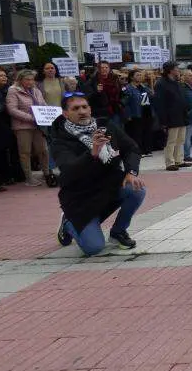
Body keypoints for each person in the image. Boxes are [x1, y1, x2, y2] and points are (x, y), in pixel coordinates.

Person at [50, 91, 146, 255]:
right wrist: (92, 152)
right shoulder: (60, 140)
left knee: (136, 189)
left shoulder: (106, 126)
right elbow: (70, 170)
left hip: (108, 185)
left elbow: (131, 148)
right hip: (80, 198)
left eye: (84, 107)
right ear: (66, 114)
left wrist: (131, 171)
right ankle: (68, 222)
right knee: (94, 248)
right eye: (75, 108)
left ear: (90, 109)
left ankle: (118, 232)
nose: (81, 111)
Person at [5, 69, 51, 187]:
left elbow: (43, 104)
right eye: (27, 79)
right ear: (20, 80)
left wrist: (48, 113)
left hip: (39, 125)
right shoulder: (13, 90)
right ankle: (29, 178)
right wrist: (31, 117)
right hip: (22, 127)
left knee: (43, 150)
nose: (30, 82)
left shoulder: (36, 90)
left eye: (32, 79)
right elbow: (12, 110)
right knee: (25, 152)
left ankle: (46, 174)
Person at [155, 62, 190, 172]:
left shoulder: (176, 82)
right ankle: (170, 162)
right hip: (171, 116)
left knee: (180, 139)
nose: (178, 70)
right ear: (170, 70)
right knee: (171, 140)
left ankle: (178, 160)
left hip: (181, 115)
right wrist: (163, 120)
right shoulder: (161, 83)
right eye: (176, 68)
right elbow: (160, 103)